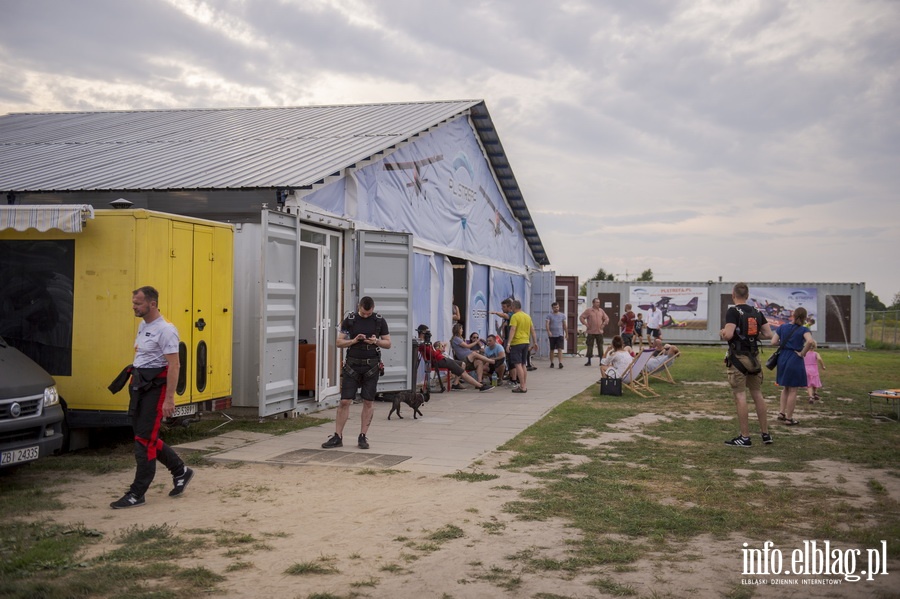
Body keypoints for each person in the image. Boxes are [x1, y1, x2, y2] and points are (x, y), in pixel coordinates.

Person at [110, 286, 193, 509]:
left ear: (152, 304)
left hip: (156, 391)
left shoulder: (166, 330)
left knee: (144, 441)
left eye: (137, 303)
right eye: (133, 303)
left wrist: (169, 399)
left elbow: (174, 365)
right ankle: (181, 471)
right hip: (139, 387)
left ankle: (137, 493)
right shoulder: (144, 325)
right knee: (144, 436)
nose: (134, 307)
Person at [322, 296, 392, 450]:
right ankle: (337, 436)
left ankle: (362, 436)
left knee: (368, 401)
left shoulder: (379, 321)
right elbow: (339, 342)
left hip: (371, 365)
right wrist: (353, 340)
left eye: (368, 313)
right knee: (345, 401)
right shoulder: (350, 319)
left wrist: (375, 341)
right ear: (359, 307)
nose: (366, 315)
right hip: (352, 364)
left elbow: (388, 343)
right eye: (363, 313)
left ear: (373, 308)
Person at [720, 282, 774, 447]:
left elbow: (728, 335)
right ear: (748, 295)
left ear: (733, 295)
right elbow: (768, 334)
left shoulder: (733, 311)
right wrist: (752, 335)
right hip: (754, 358)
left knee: (740, 395)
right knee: (757, 394)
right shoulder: (757, 311)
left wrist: (722, 333)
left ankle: (745, 437)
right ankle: (765, 434)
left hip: (738, 358)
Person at [771, 307, 816, 426]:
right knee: (793, 390)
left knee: (785, 387)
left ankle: (781, 413)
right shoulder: (804, 330)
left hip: (782, 358)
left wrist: (785, 344)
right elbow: (810, 342)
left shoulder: (782, 327)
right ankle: (789, 418)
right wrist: (803, 353)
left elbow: (773, 342)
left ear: (793, 315)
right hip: (795, 358)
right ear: (805, 317)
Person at [416, 325, 492, 392]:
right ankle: (480, 386)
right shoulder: (423, 344)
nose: (428, 335)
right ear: (423, 333)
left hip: (442, 359)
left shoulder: (425, 342)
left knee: (462, 364)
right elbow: (434, 355)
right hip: (440, 360)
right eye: (427, 333)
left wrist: (439, 349)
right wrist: (439, 350)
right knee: (463, 372)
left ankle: (455, 384)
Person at [506, 300, 537, 393]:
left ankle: (522, 386)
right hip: (526, 342)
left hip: (517, 343)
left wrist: (508, 343)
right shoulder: (527, 316)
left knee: (517, 364)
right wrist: (535, 342)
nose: (511, 308)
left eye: (511, 306)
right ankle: (524, 384)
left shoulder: (515, 316)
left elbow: (513, 329)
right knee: (523, 364)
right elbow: (533, 330)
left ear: (514, 307)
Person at [579, 297, 609, 366]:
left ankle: (601, 361)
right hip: (591, 332)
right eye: (597, 302)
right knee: (590, 346)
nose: (598, 303)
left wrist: (604, 324)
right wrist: (585, 324)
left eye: (599, 302)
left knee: (600, 346)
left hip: (599, 332)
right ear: (593, 303)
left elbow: (606, 318)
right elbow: (581, 317)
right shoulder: (589, 310)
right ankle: (589, 361)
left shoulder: (601, 311)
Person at [545, 301, 567, 368]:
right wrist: (548, 331)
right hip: (552, 335)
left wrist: (566, 333)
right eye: (554, 307)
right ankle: (552, 362)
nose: (556, 308)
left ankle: (560, 363)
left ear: (559, 307)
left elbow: (564, 325)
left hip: (560, 334)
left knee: (559, 349)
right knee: (552, 349)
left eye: (557, 307)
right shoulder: (549, 315)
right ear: (552, 308)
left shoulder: (562, 315)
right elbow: (547, 324)